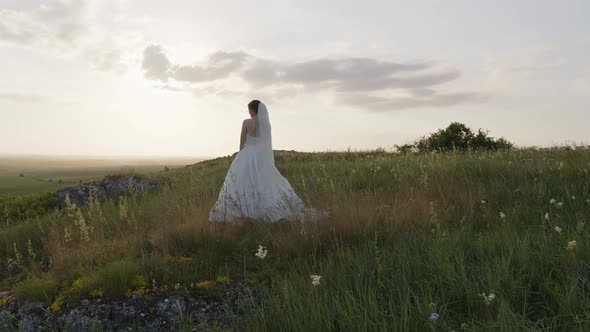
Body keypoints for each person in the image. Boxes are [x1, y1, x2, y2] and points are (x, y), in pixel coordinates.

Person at [209, 100, 321, 223]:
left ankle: (242, 209)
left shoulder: (246, 122)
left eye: (249, 110)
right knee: (261, 181)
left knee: (242, 181)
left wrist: (241, 153)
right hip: (259, 157)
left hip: (246, 155)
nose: (249, 112)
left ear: (252, 110)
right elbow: (265, 144)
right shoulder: (266, 125)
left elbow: (241, 143)